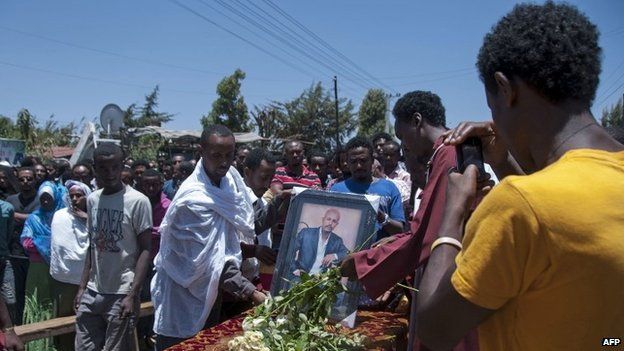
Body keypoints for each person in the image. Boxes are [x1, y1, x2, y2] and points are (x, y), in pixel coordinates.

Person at [413, 3, 624, 351]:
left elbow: (436, 329)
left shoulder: (517, 206)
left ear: (504, 88)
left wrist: (453, 213)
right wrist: (505, 162)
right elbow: (567, 205)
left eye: (492, 105)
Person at [340, 91, 479, 351]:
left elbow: (427, 237)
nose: (405, 148)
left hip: (449, 280)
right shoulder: (450, 151)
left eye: (403, 137)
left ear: (417, 121)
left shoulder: (447, 154)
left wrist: (362, 263)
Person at [151, 125, 265, 350]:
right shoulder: (193, 200)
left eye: (229, 155)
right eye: (216, 156)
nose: (224, 162)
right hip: (181, 296)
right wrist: (252, 293)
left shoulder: (229, 181)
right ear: (201, 152)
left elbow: (246, 222)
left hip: (211, 293)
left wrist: (280, 206)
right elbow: (212, 264)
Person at [74, 143, 152, 351]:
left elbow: (146, 249)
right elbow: (93, 245)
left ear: (121, 166)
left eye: (115, 167)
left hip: (121, 292)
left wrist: (132, 294)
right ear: (95, 168)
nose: (110, 173)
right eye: (103, 168)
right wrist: (82, 288)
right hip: (93, 291)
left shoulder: (138, 201)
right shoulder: (92, 200)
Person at [330, 136, 405, 241]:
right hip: (347, 255)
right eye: (353, 161)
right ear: (347, 162)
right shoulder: (336, 190)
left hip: (380, 255)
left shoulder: (390, 187)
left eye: (363, 160)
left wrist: (381, 217)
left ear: (372, 160)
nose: (359, 166)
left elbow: (400, 230)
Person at [49, 180, 91, 350]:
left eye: (79, 195)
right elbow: (59, 247)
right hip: (64, 280)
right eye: (71, 196)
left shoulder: (97, 216)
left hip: (89, 280)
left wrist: (89, 219)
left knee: (88, 321)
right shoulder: (60, 216)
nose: (75, 199)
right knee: (64, 321)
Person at [20, 181, 65, 305]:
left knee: (54, 300)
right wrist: (48, 243)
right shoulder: (34, 218)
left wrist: (39, 240)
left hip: (59, 267)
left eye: (48, 198)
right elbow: (25, 242)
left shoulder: (63, 217)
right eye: (42, 199)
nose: (45, 202)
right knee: (37, 299)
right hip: (38, 266)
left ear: (55, 198)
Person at [270, 141, 321, 249]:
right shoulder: (279, 172)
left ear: (303, 153)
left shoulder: (313, 176)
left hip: (305, 231)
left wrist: (291, 192)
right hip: (281, 231)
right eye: (291, 152)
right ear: (285, 154)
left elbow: (318, 197)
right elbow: (277, 192)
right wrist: (301, 192)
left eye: (298, 152)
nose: (295, 155)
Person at [5, 168, 39, 324]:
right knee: (14, 295)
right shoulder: (11, 200)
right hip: (13, 254)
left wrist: (16, 215)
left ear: (35, 180)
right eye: (22, 179)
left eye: (29, 179)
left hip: (35, 257)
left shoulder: (42, 199)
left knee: (32, 294)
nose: (25, 182)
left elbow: (41, 219)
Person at [291, 208, 348, 277]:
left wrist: (334, 256)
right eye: (328, 219)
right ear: (323, 219)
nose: (330, 223)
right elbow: (289, 251)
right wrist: (294, 269)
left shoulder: (337, 240)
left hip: (320, 281)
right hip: (300, 277)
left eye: (334, 221)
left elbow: (347, 253)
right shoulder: (306, 233)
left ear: (336, 224)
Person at [0, 199, 16, 324]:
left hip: (3, 261)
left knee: (10, 301)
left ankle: (10, 334)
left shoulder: (7, 208)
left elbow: (9, 234)